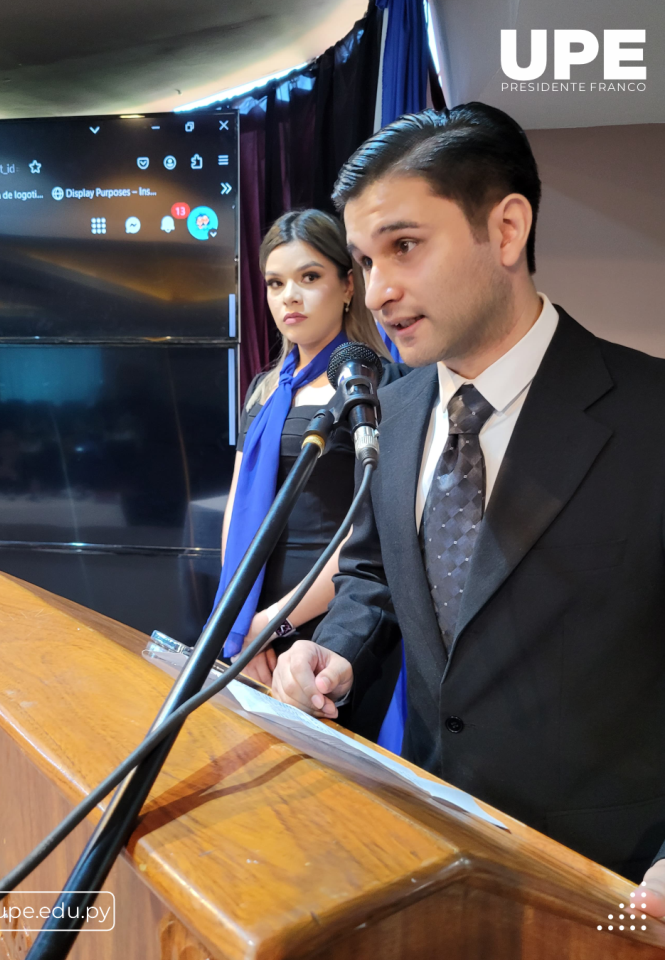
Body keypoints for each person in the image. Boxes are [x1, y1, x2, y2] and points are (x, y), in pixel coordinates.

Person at [270, 103, 665, 907]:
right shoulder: (394, 406)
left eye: (405, 247)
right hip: (427, 847)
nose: (378, 291)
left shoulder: (651, 416)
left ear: (508, 230)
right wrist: (337, 649)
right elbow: (376, 576)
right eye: (363, 260)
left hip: (608, 879)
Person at [214, 209, 405, 691]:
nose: (289, 297)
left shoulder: (380, 384)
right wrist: (237, 621)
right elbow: (236, 512)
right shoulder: (263, 389)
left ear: (347, 286)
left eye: (309, 277)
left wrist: (271, 625)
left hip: (332, 620)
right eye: (275, 284)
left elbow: (369, 537)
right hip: (250, 620)